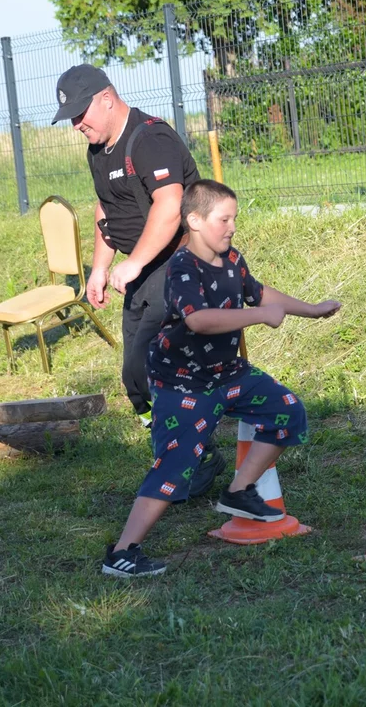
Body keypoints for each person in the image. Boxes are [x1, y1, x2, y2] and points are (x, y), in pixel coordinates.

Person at [102, 180, 341, 577]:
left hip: (227, 373)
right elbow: (199, 319)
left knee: (288, 412)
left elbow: (260, 294)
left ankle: (238, 491)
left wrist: (311, 310)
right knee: (175, 465)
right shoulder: (181, 268)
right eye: (223, 219)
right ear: (194, 220)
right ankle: (123, 552)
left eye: (234, 218)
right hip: (182, 384)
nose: (231, 227)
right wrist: (258, 317)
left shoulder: (232, 259)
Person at [52, 64, 225, 497]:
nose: (77, 125)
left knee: (158, 368)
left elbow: (169, 209)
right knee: (135, 379)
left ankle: (191, 457)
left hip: (183, 263)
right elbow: (105, 210)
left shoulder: (149, 139)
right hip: (144, 270)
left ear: (107, 98)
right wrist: (98, 267)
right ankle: (179, 450)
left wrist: (133, 264)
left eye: (81, 114)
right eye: (71, 118)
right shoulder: (98, 150)